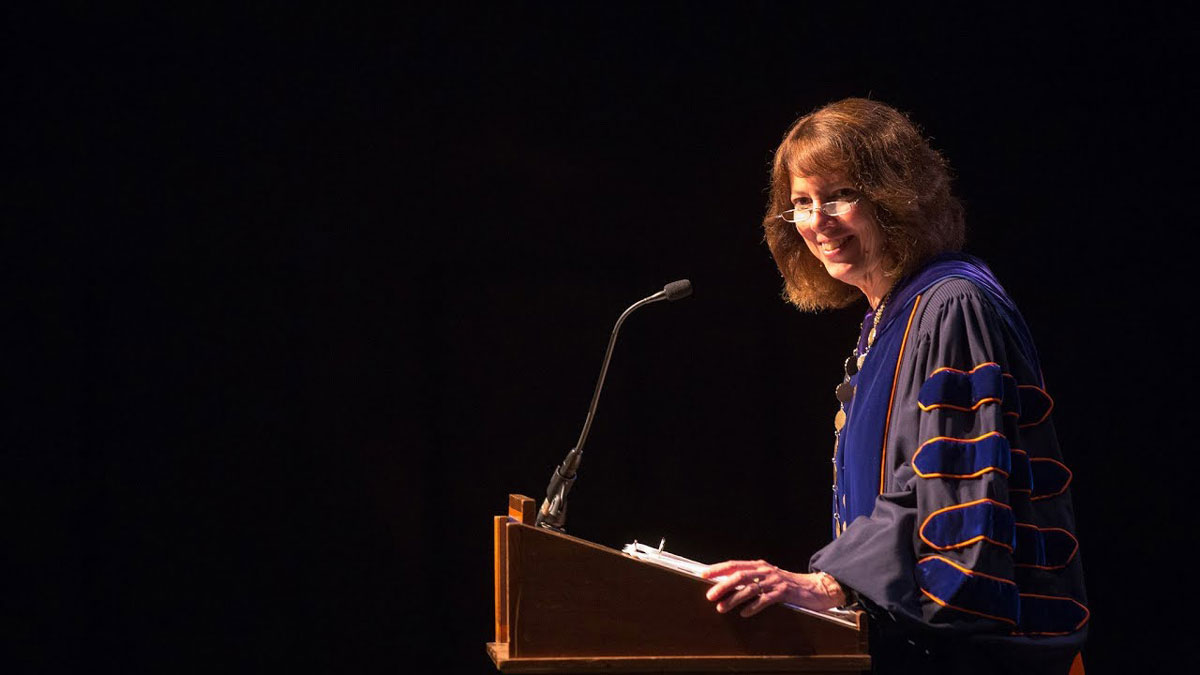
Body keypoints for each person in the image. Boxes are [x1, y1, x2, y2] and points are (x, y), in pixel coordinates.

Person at [700, 98, 1088, 674]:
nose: (816, 221)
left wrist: (833, 582)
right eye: (801, 204)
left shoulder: (953, 303)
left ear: (895, 195)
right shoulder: (888, 318)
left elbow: (956, 484)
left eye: (837, 196)